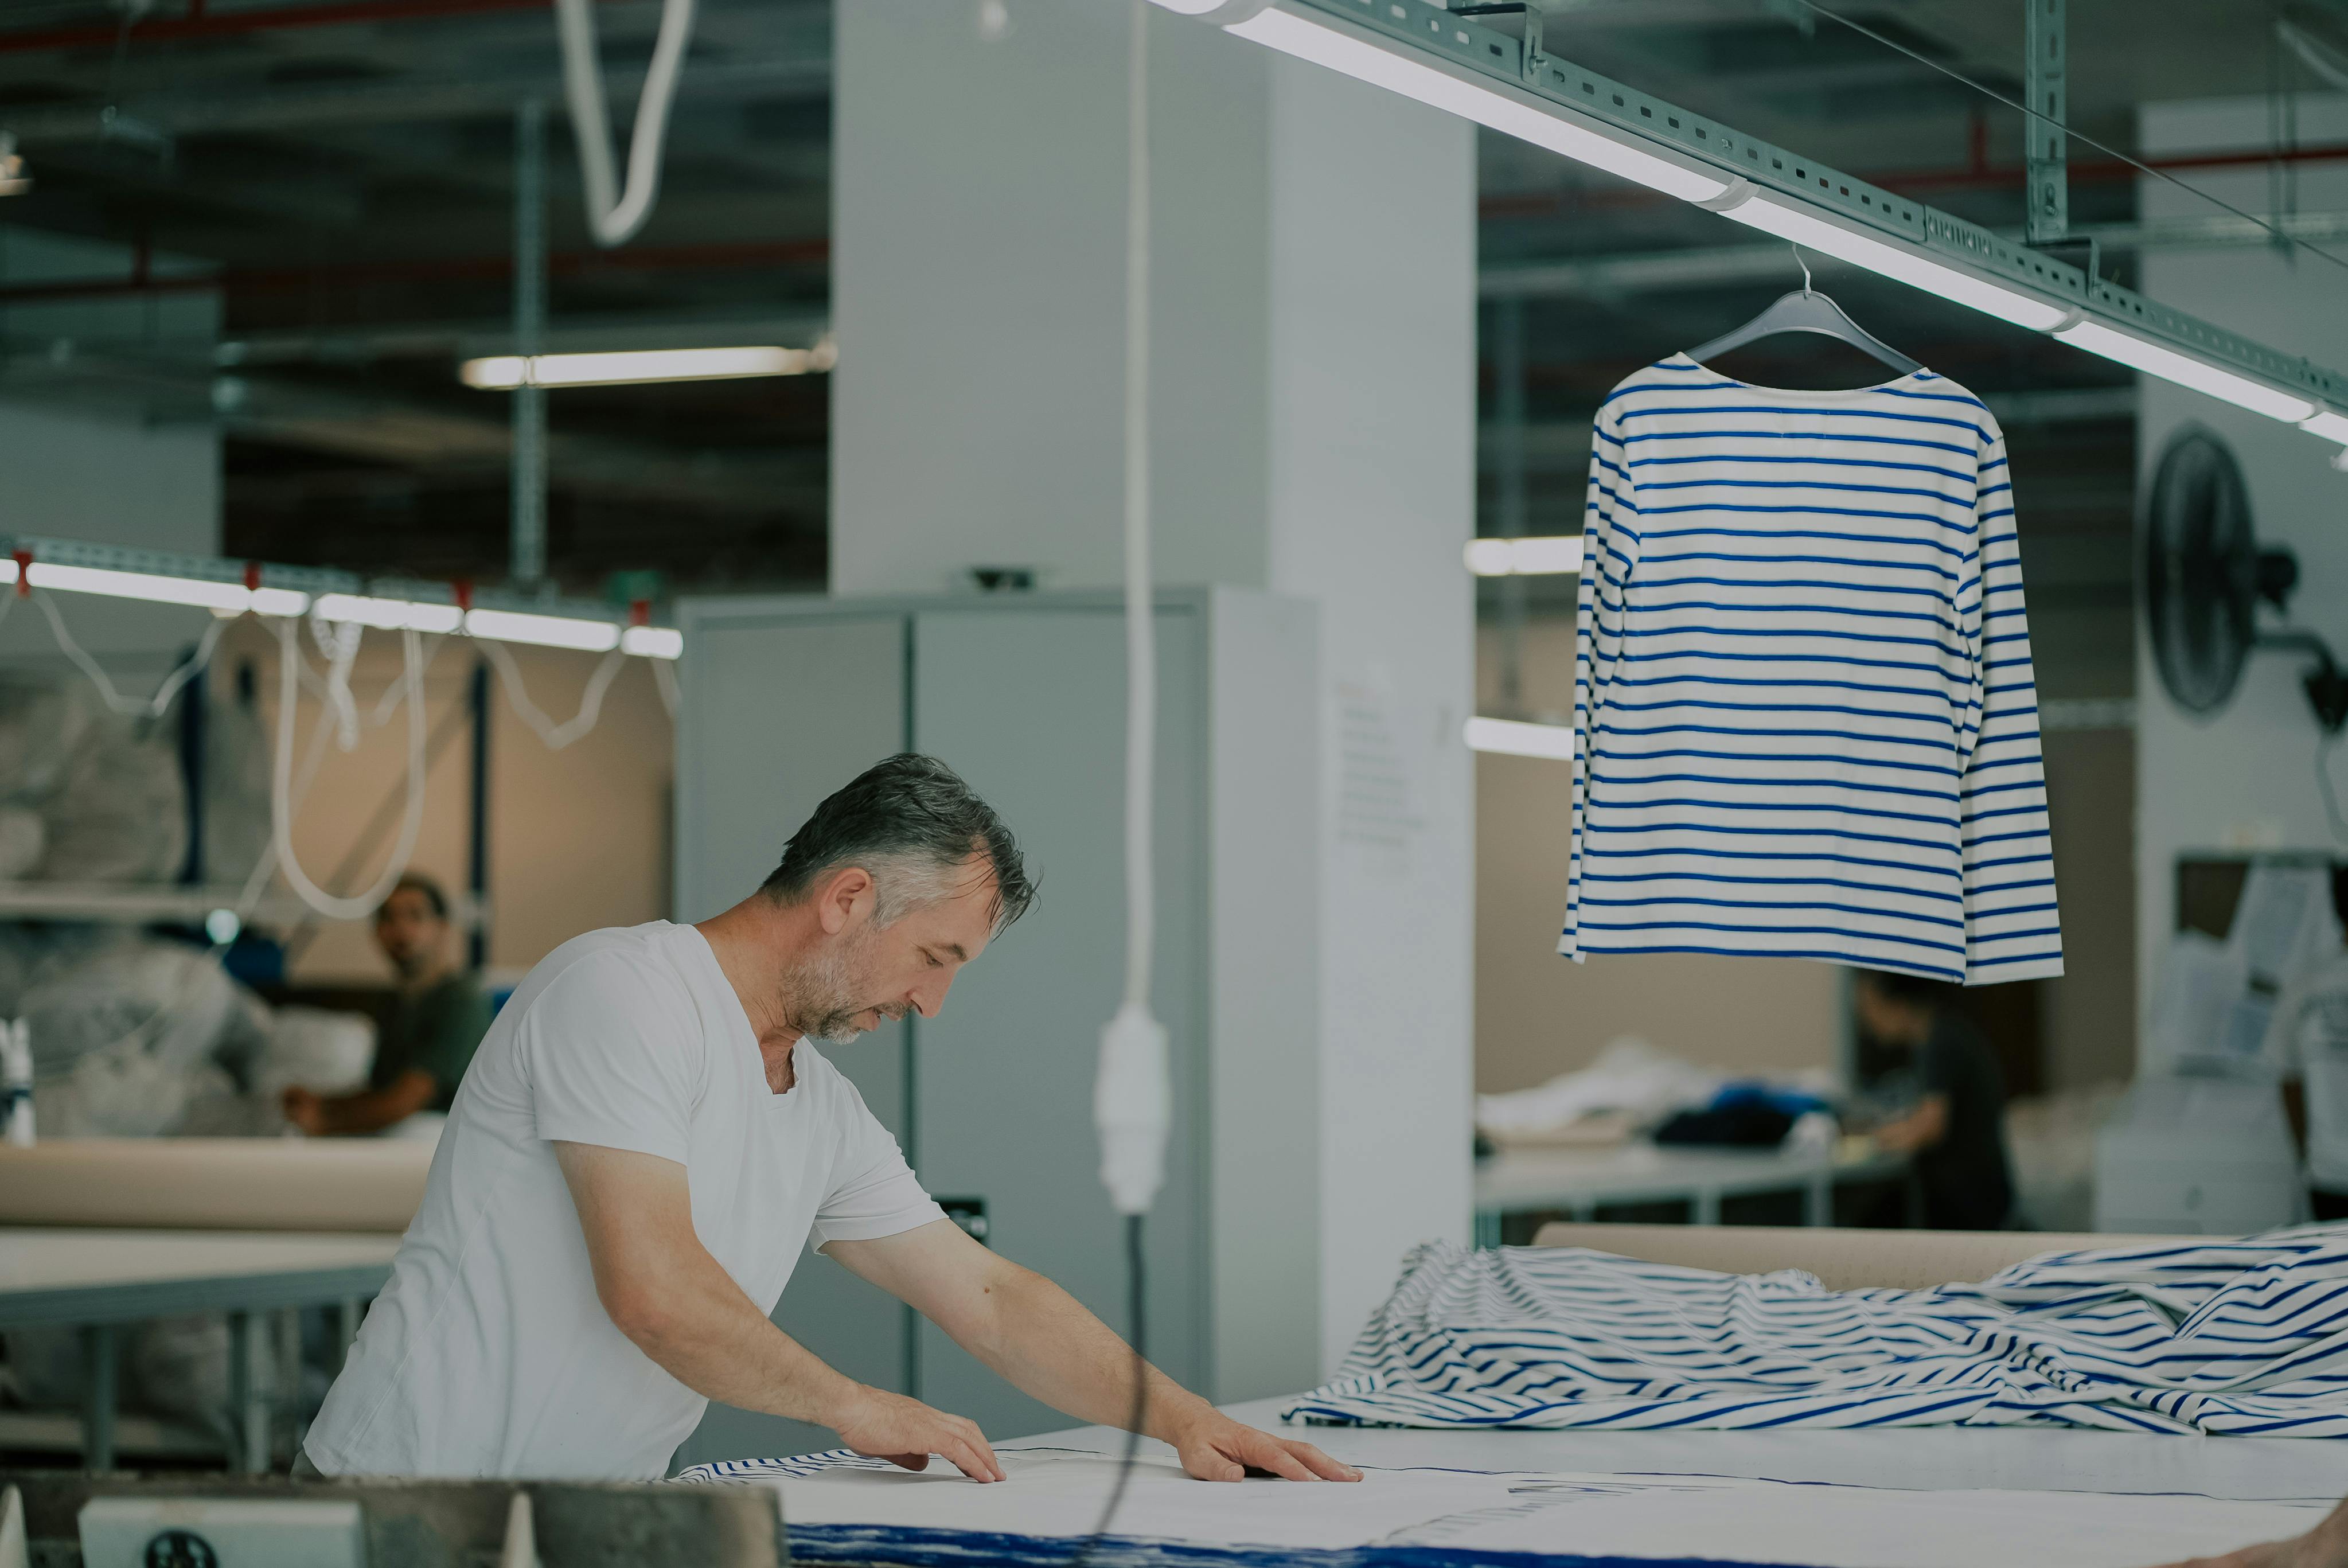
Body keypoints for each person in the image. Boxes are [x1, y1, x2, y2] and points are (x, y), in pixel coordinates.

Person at [301, 753, 1357, 1486]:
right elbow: (656, 1292)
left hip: (582, 1516)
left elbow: (987, 1295)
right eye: (933, 958)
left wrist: (1181, 1416)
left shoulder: (818, 1107)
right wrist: (855, 1403)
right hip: (405, 1502)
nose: (931, 1003)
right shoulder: (624, 993)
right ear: (848, 898)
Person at [283, 874, 493, 1137]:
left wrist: (325, 1124)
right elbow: (381, 1092)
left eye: (415, 916)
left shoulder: (461, 1002)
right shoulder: (396, 1004)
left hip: (444, 1138)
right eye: (389, 918)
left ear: (442, 928)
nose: (401, 928)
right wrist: (323, 1103)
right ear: (378, 933)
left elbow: (405, 1101)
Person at [1852, 969, 2014, 1231]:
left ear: (1897, 1003)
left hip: (1969, 1197)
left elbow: (1930, 1127)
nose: (1866, 1020)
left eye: (1869, 1007)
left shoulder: (1941, 1041)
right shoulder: (1939, 1035)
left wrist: (1873, 1141)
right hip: (1975, 1190)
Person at [2261, 864, 2348, 1220]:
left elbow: (2290, 1084)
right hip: (2326, 1174)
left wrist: (2308, 1154)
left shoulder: (2303, 989)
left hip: (2326, 1172)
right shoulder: (2302, 989)